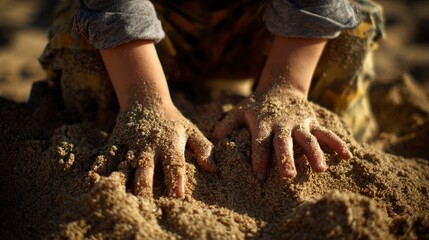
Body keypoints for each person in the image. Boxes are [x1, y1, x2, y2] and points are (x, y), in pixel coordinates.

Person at [35, 0, 383, 198]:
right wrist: (146, 102)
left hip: (262, 18)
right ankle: (95, 140)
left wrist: (287, 88)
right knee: (82, 41)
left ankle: (345, 140)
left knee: (353, 26)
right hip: (154, 18)